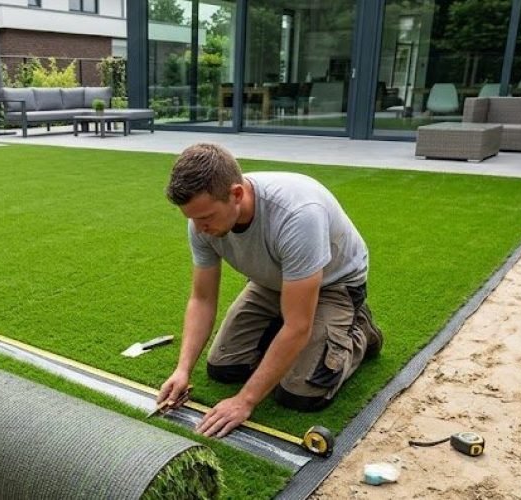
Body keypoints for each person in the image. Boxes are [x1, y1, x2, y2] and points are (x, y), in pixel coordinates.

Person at [156, 143, 383, 438]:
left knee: (300, 392)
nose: (199, 228)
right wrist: (182, 370)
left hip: (333, 285)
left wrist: (244, 401)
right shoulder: (201, 219)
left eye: (206, 218)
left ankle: (359, 331)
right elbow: (202, 299)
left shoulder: (298, 215)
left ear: (236, 194)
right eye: (192, 218)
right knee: (224, 368)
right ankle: (293, 332)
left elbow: (298, 325)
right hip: (270, 282)